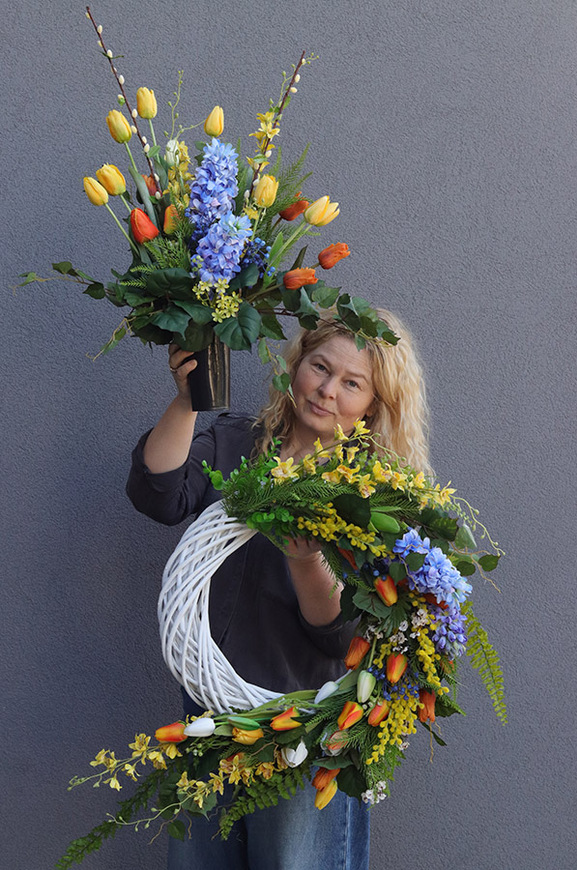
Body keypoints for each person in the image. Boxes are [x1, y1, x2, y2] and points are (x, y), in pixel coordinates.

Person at [126, 309, 430, 870]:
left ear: (373, 406)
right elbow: (159, 494)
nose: (327, 390)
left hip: (302, 734)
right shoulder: (238, 443)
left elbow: (339, 637)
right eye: (321, 367)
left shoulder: (373, 500)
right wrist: (188, 401)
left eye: (352, 383)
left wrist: (306, 559)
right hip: (210, 715)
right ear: (298, 364)